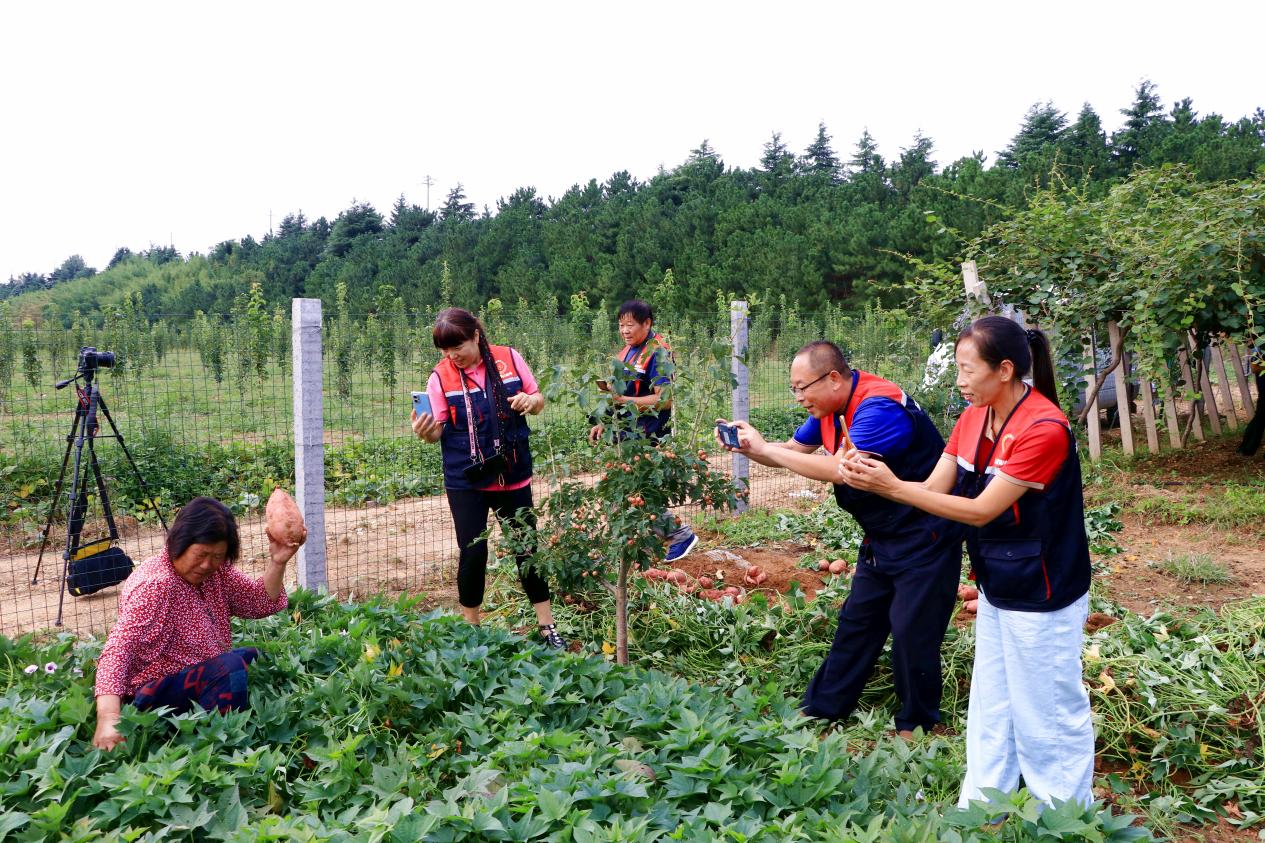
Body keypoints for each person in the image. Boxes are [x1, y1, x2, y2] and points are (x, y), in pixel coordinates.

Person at [840, 316, 1094, 809]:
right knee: (993, 704)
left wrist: (891, 487)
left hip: (1045, 586)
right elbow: (935, 489)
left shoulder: (1044, 429)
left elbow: (981, 509)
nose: (957, 381)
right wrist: (879, 478)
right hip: (1000, 579)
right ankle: (983, 805)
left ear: (1004, 370)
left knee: (1047, 708)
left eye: (965, 369)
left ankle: (1063, 814)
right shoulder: (974, 418)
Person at [720, 340, 963, 737]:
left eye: (803, 387)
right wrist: (751, 448)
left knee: (911, 632)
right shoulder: (830, 409)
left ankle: (917, 724)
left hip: (926, 533)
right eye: (793, 388)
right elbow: (794, 450)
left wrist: (768, 450)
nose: (798, 397)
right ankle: (822, 708)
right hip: (884, 533)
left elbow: (840, 470)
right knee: (857, 622)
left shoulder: (880, 408)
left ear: (833, 378)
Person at [93, 496, 302, 751]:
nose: (207, 564)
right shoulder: (156, 585)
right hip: (152, 694)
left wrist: (278, 561)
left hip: (196, 675)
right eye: (201, 554)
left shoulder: (217, 572)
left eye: (217, 556)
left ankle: (227, 712)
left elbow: (258, 602)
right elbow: (118, 649)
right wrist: (108, 718)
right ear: (178, 542)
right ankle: (221, 744)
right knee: (231, 667)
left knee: (255, 657)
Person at [411, 307, 566, 649]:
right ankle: (472, 629)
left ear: (476, 336)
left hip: (512, 472)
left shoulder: (509, 358)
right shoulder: (440, 377)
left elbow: (538, 399)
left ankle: (546, 626)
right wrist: (426, 433)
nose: (453, 357)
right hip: (466, 480)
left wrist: (531, 400)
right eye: (445, 351)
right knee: (473, 552)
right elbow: (437, 431)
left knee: (527, 549)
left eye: (458, 348)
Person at [587, 300, 697, 563]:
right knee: (621, 489)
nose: (625, 330)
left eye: (630, 325)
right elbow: (617, 393)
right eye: (621, 325)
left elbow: (665, 399)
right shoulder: (626, 352)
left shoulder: (658, 353)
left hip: (648, 433)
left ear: (647, 323)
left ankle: (680, 534)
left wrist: (624, 403)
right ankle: (636, 546)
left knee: (636, 492)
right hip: (627, 433)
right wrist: (604, 420)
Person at [1236, 347, 1265, 456]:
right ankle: (1247, 448)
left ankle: (1246, 448)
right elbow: (1254, 368)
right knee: (1260, 418)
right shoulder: (1259, 348)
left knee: (1260, 418)